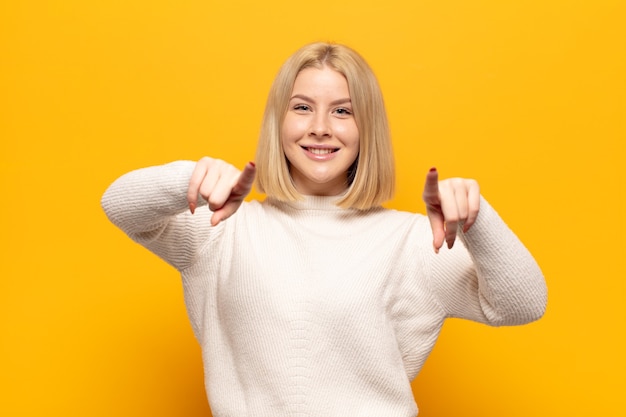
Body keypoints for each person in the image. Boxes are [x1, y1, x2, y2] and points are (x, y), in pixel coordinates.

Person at [101, 42, 547, 416]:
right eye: (302, 108)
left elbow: (523, 304)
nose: (319, 128)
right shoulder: (221, 229)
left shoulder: (412, 243)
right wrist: (188, 178)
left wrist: (477, 219)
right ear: (279, 121)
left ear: (366, 128)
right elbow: (119, 205)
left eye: (342, 111)